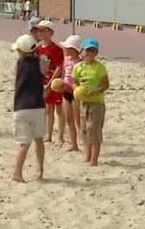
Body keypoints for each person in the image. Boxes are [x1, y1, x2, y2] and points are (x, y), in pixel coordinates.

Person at [11, 34, 46, 182]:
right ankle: (40, 170)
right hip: (38, 105)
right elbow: (45, 68)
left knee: (24, 143)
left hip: (21, 107)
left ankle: (17, 173)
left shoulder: (18, 63)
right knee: (39, 140)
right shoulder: (41, 62)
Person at [73, 38, 110, 166]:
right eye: (88, 50)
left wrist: (94, 90)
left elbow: (105, 85)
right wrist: (77, 90)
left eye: (93, 50)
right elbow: (74, 83)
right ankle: (87, 156)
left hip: (96, 103)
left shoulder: (100, 67)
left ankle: (94, 159)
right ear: (82, 51)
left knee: (94, 131)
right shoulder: (78, 67)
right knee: (84, 129)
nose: (90, 53)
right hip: (83, 102)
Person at [35, 20, 66, 144]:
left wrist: (50, 83)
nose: (40, 33)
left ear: (50, 32)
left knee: (59, 109)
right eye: (39, 30)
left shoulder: (56, 49)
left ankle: (60, 136)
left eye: (42, 30)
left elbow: (59, 67)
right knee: (48, 109)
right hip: (43, 82)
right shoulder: (38, 49)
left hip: (54, 83)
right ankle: (48, 135)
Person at [59, 35, 83, 152]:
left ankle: (85, 143)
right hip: (65, 92)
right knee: (69, 120)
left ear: (75, 50)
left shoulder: (81, 63)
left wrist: (72, 88)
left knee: (79, 121)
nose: (65, 49)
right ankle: (74, 144)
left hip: (76, 93)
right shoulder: (66, 60)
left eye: (68, 47)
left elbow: (82, 80)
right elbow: (63, 75)